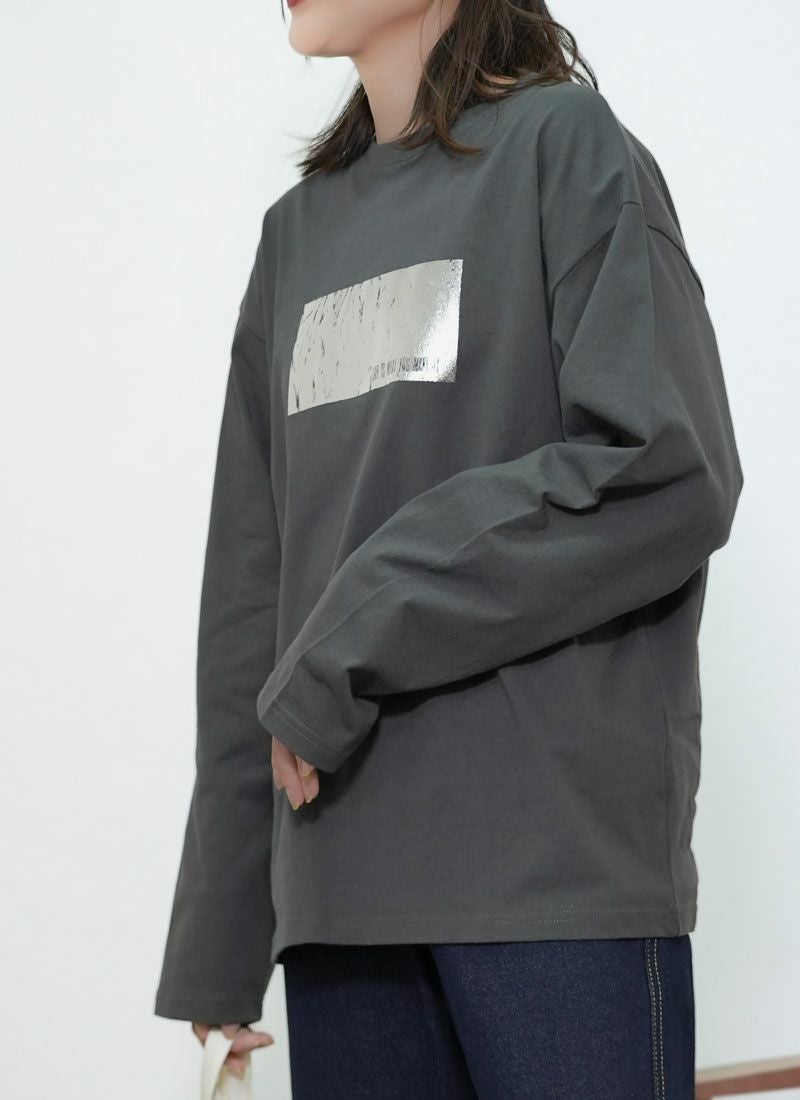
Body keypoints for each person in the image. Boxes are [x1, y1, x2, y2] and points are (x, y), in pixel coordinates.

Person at [154, 0, 745, 1096]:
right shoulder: (296, 237)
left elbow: (664, 464)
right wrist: (222, 930)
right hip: (339, 899)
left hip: (550, 880)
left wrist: (366, 612)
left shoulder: (564, 146)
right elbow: (252, 590)